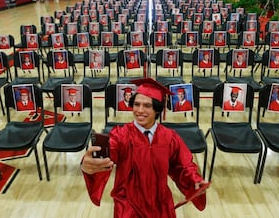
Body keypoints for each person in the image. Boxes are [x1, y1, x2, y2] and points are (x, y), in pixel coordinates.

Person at [81, 78, 207, 218]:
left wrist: (195, 180)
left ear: (157, 109)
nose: (140, 110)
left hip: (160, 204)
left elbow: (183, 165)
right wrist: (89, 165)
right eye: (136, 104)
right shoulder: (121, 135)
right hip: (128, 206)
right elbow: (108, 153)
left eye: (147, 105)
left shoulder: (169, 137)